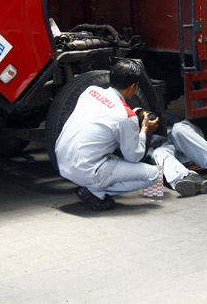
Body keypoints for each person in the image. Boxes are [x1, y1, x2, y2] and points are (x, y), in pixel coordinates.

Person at [54, 60, 160, 211]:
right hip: (85, 170)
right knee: (154, 175)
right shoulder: (126, 116)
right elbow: (133, 157)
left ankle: (93, 185)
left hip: (62, 162)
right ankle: (95, 191)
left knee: (111, 156)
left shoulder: (90, 91)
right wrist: (143, 132)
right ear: (133, 87)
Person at [147, 118, 207, 196]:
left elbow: (174, 120)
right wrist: (144, 132)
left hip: (185, 138)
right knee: (158, 152)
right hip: (168, 148)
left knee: (178, 129)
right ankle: (188, 177)